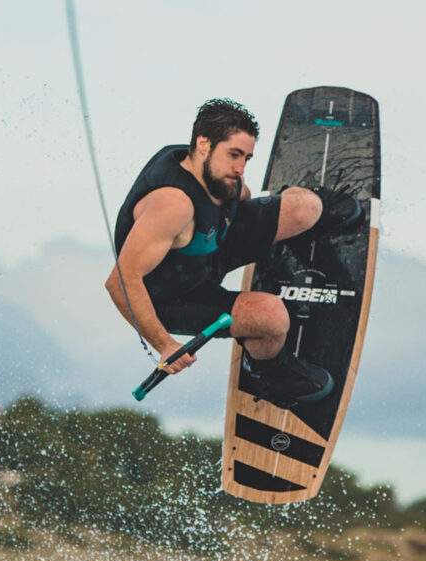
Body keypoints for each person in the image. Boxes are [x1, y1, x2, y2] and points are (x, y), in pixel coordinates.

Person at [106, 98, 362, 407]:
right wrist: (164, 344)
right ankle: (266, 371)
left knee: (306, 208)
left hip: (213, 249)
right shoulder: (172, 205)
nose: (240, 168)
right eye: (234, 155)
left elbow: (243, 197)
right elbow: (120, 282)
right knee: (271, 318)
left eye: (247, 158)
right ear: (204, 144)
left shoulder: (208, 168)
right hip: (176, 296)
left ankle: (287, 235)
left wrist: (270, 225)